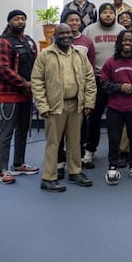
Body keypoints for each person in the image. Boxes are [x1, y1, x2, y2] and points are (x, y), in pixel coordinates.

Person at [31, 24, 96, 192]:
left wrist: (89, 102)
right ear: (55, 35)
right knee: (53, 143)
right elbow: (37, 82)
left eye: (68, 33)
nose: (66, 35)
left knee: (75, 141)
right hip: (54, 107)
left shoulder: (80, 55)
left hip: (76, 104)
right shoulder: (45, 55)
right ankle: (48, 177)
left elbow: (90, 78)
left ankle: (75, 172)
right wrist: (42, 105)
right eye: (62, 33)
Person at [0, 10, 39, 184]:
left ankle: (18, 164)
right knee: (6, 133)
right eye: (17, 19)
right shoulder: (2, 42)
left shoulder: (29, 42)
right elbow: (3, 69)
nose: (21, 21)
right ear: (9, 21)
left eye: (23, 19)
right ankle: (2, 170)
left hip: (26, 95)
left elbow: (36, 65)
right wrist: (24, 84)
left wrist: (33, 84)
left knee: (23, 130)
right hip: (9, 94)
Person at [101, 30, 132, 185]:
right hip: (115, 108)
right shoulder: (110, 62)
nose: (127, 43)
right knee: (114, 139)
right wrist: (119, 87)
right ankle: (113, 166)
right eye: (124, 40)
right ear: (119, 43)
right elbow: (103, 82)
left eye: (130, 40)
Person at [81, 3, 126, 169]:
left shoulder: (121, 29)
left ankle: (116, 153)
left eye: (110, 12)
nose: (108, 15)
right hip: (97, 80)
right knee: (94, 118)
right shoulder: (89, 30)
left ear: (115, 15)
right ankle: (90, 150)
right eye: (104, 13)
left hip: (117, 82)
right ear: (98, 14)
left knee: (116, 120)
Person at [56, 9, 96, 178]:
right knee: (58, 136)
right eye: (70, 20)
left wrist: (88, 99)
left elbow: (90, 71)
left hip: (79, 97)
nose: (74, 23)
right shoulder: (53, 46)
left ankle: (76, 164)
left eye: (77, 20)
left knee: (77, 134)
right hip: (58, 98)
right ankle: (58, 163)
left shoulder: (86, 42)